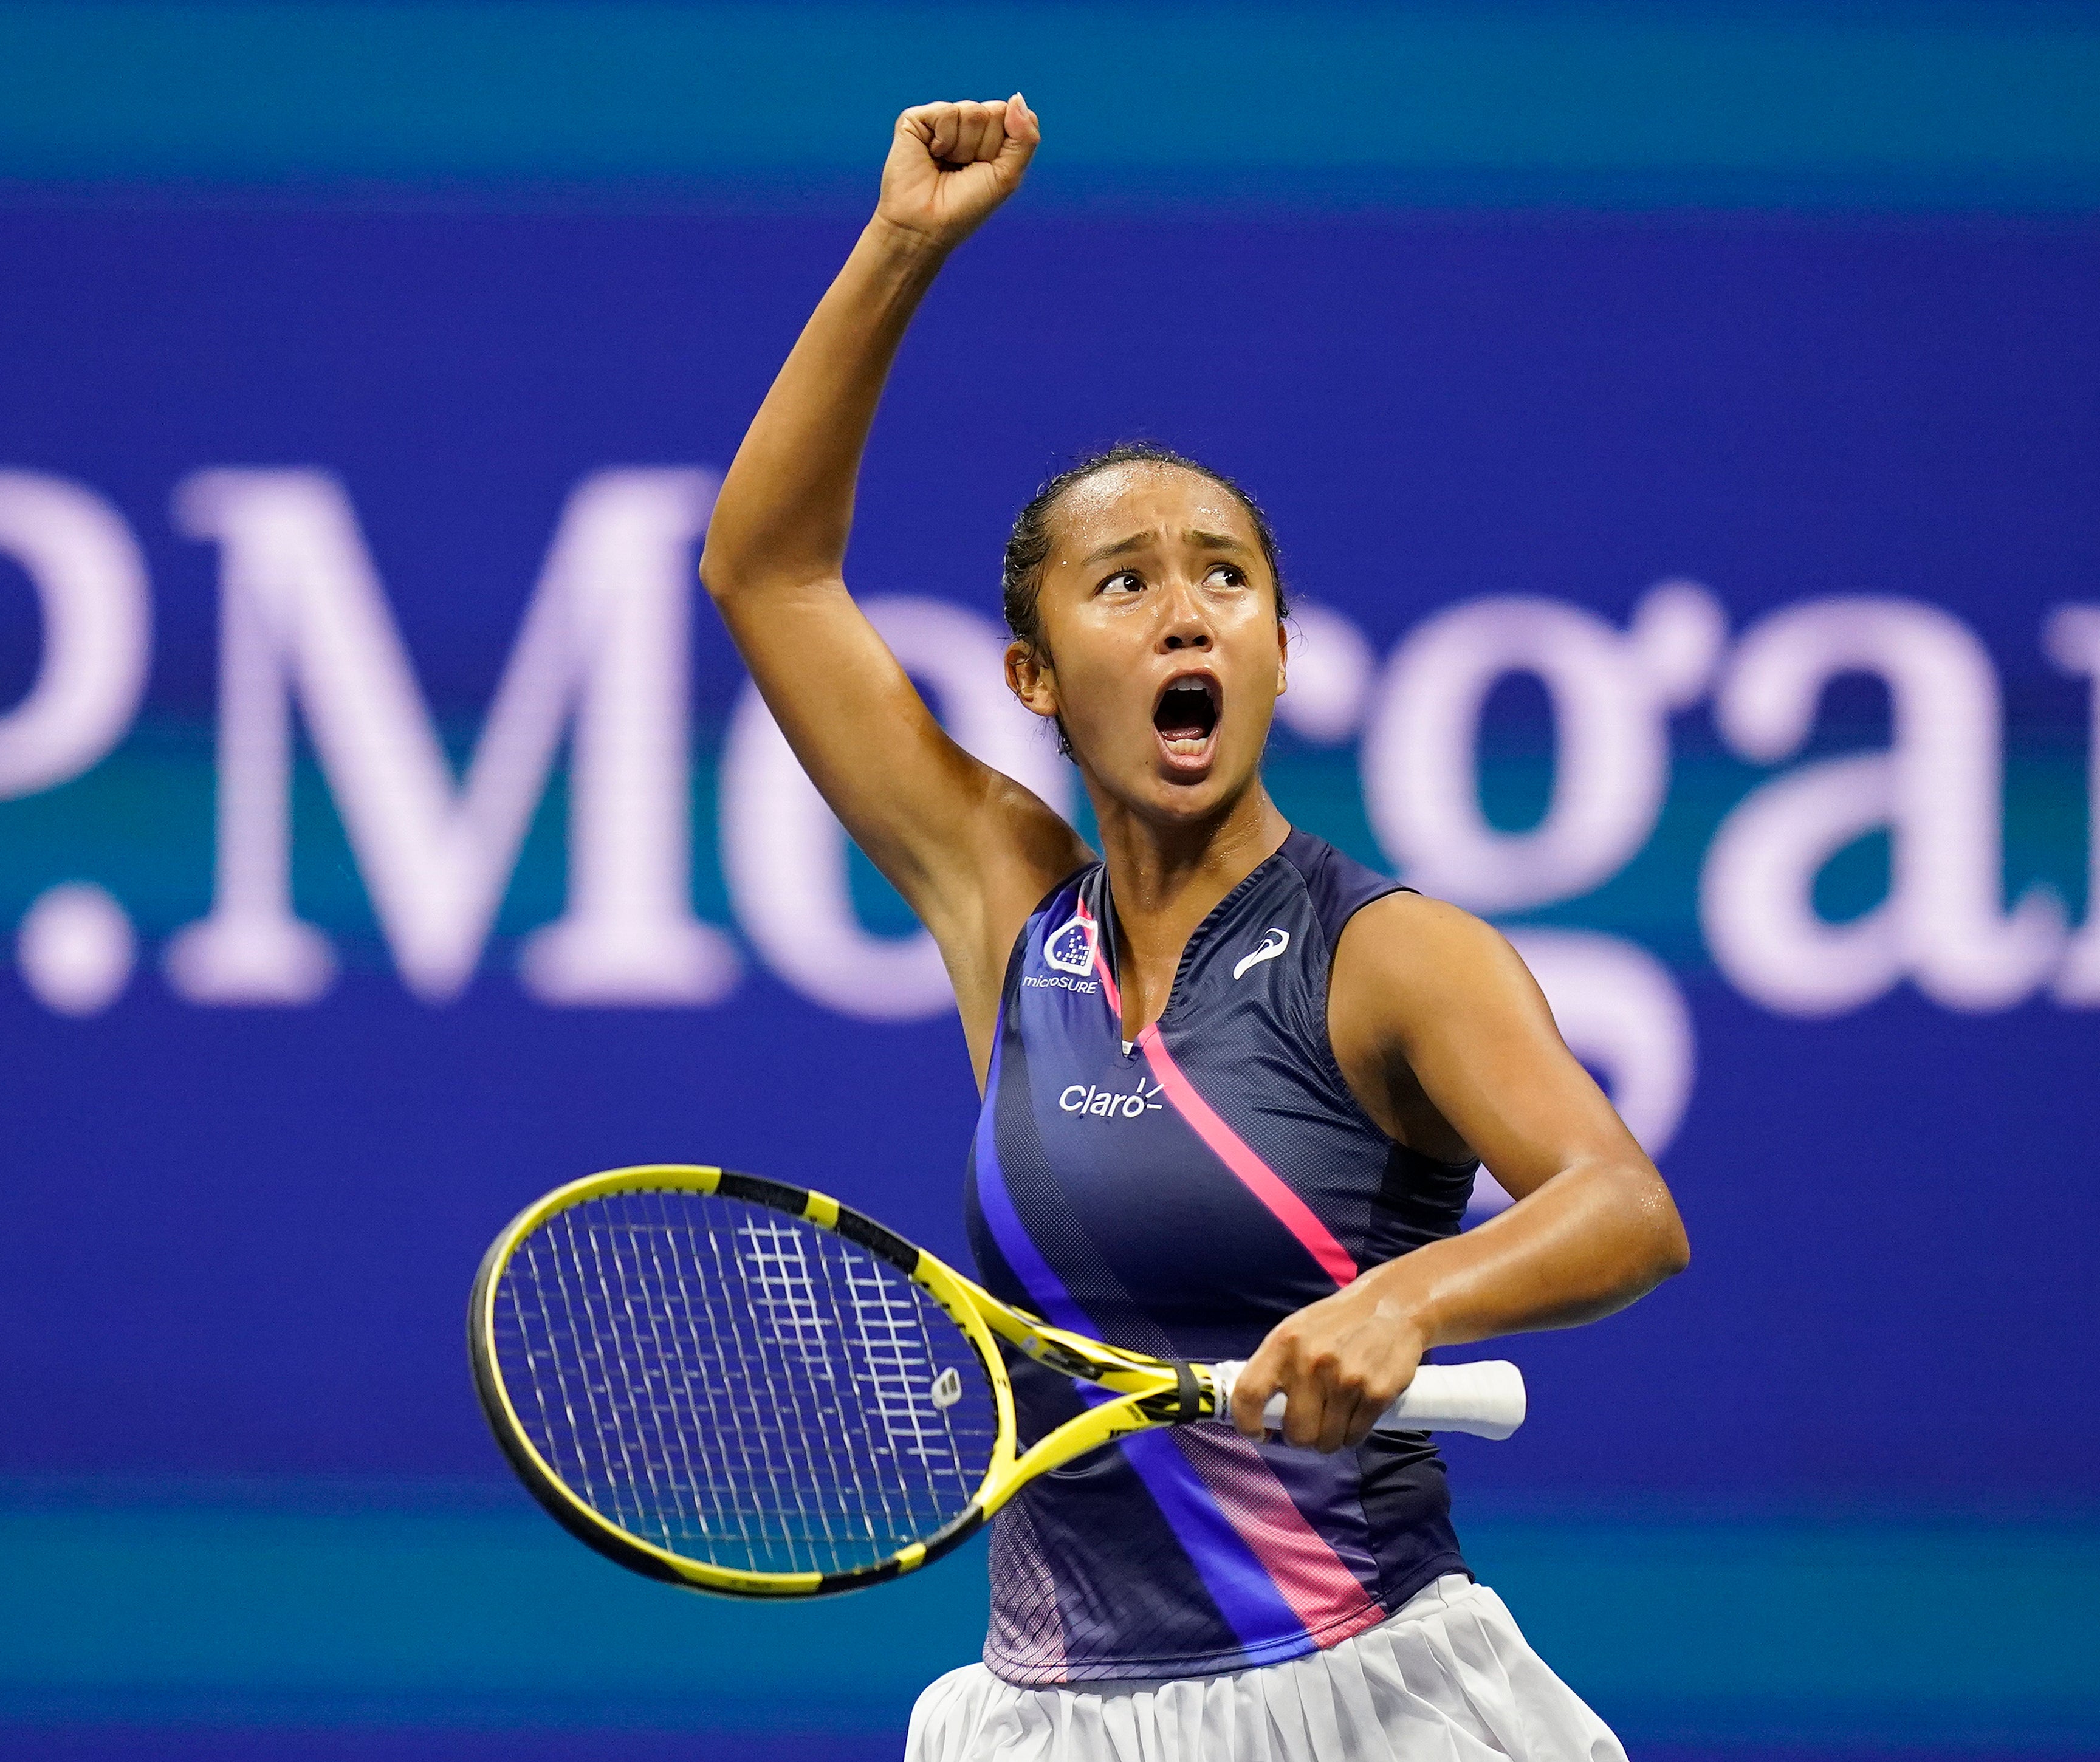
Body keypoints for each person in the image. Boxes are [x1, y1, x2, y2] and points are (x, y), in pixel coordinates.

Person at [701, 94, 1690, 1762]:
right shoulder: (1008, 909)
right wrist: (901, 249)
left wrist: (1410, 1302)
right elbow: (765, 572)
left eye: (1224, 577)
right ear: (1032, 675)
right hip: (1050, 1720)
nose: (1185, 610)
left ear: (1279, 650)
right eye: (1126, 580)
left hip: (1360, 1702)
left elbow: (1622, 1206)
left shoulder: (1387, 954)